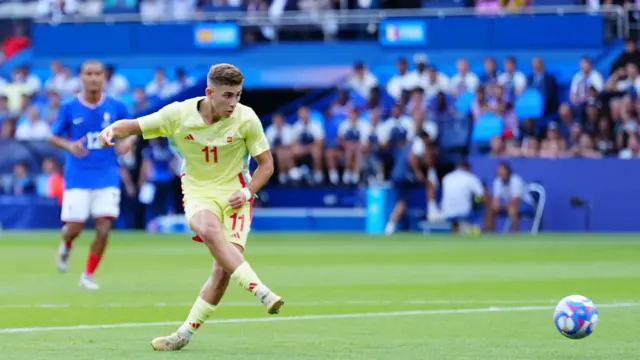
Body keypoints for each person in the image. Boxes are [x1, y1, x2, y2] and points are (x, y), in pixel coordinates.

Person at [97, 63, 284, 351]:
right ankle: (261, 291)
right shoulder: (178, 114)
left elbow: (267, 165)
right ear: (209, 93)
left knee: (222, 272)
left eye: (237, 95)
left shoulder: (247, 119)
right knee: (209, 230)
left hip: (236, 195)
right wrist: (111, 129)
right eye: (227, 96)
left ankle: (184, 334)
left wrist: (247, 192)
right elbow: (133, 125)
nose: (234, 103)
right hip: (198, 191)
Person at [48, 60, 132, 290]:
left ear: (104, 77)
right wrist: (69, 146)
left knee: (104, 226)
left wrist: (128, 143)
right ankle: (66, 244)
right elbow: (52, 136)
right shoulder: (69, 106)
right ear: (81, 77)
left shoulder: (116, 106)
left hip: (107, 174)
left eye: (98, 74)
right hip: (78, 175)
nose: (94, 78)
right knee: (74, 227)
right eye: (89, 74)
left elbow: (133, 129)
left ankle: (88, 275)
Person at [484, 161, 533, 232]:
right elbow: (496, 199)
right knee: (491, 208)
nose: (499, 172)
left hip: (524, 204)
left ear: (508, 171)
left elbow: (516, 200)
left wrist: (503, 206)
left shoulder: (516, 180)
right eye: (498, 171)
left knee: (512, 209)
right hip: (508, 204)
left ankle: (515, 233)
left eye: (502, 170)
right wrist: (495, 205)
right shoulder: (497, 181)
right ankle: (489, 232)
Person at [440, 160, 486, 234]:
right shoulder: (470, 177)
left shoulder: (446, 178)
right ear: (467, 168)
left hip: (446, 213)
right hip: (464, 215)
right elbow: (483, 196)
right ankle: (483, 229)